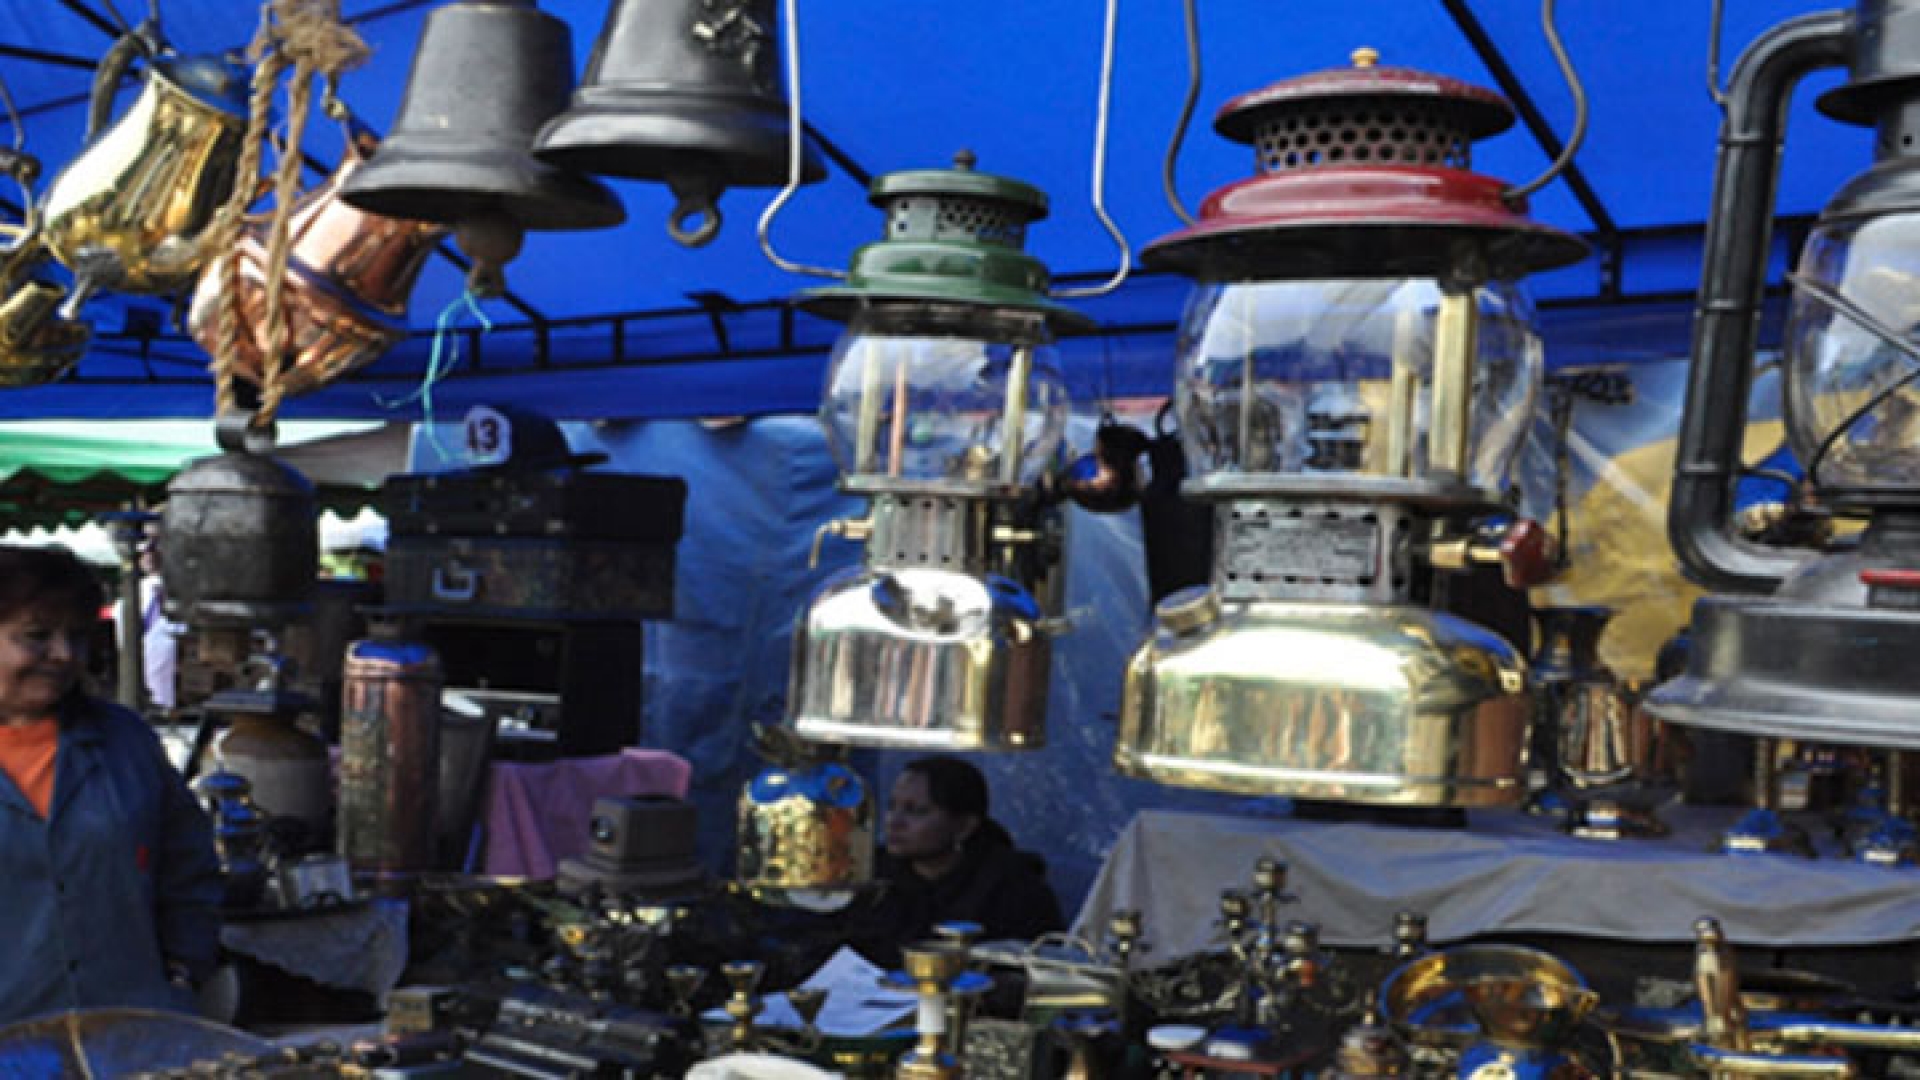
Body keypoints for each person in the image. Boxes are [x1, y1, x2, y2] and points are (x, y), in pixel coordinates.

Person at [0, 545, 221, 1021]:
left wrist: (182, 974)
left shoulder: (123, 741)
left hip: (125, 1034)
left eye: (76, 637)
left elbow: (188, 866)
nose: (63, 655)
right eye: (37, 636)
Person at [848, 756, 1064, 967]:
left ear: (964, 826)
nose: (894, 822)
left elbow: (1040, 968)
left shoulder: (1015, 891)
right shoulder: (870, 874)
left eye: (917, 811)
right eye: (892, 807)